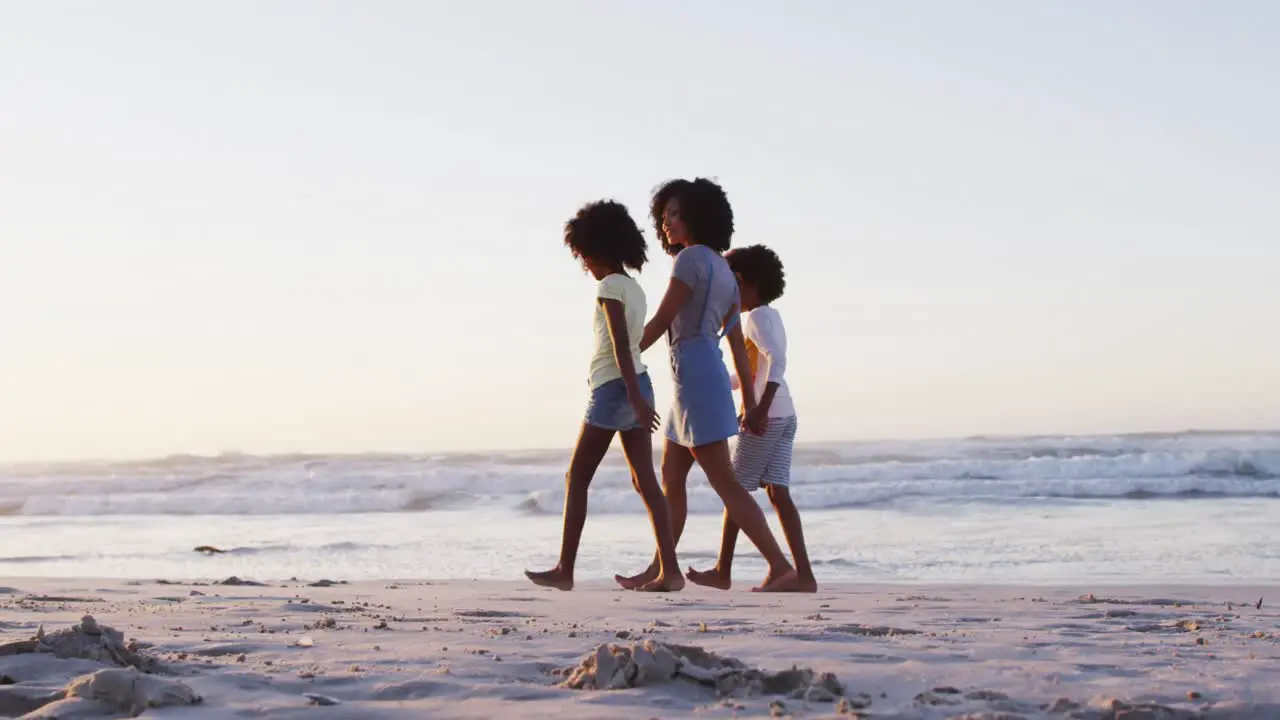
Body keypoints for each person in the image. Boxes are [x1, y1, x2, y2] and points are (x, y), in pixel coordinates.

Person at [615, 178, 800, 593]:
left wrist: (624, 354)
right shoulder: (724, 272)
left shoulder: (691, 262)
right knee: (671, 476)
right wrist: (751, 404)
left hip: (696, 382)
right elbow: (735, 345)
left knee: (723, 482)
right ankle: (662, 568)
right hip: (701, 380)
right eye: (664, 216)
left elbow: (663, 322)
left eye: (675, 214)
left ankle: (779, 564)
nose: (666, 223)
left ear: (698, 216)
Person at [525, 200, 684, 592]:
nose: (585, 265)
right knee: (645, 480)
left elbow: (618, 347)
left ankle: (565, 569)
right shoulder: (635, 287)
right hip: (637, 384)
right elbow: (634, 347)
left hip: (616, 388)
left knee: (577, 476)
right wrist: (640, 397)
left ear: (599, 251)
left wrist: (633, 397)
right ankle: (671, 570)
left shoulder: (609, 287)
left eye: (584, 256)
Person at [687, 245, 817, 592]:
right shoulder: (768, 316)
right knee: (778, 494)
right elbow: (753, 371)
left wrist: (758, 408)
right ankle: (803, 575)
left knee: (734, 490)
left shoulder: (757, 318)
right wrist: (718, 381)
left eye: (730, 284)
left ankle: (722, 570)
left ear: (744, 281)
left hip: (768, 416)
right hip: (784, 415)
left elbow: (778, 361)